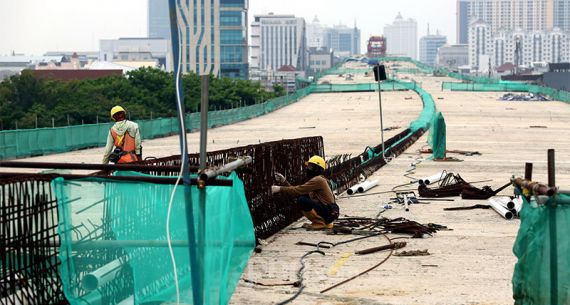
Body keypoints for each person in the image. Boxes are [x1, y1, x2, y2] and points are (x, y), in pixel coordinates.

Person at [271, 155, 339, 230]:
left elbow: (298, 190)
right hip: (328, 213)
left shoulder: (318, 180)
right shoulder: (319, 179)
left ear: (316, 168)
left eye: (310, 166)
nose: (307, 169)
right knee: (302, 197)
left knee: (302, 200)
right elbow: (299, 192)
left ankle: (320, 223)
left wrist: (280, 189)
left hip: (328, 213)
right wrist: (284, 181)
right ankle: (319, 222)